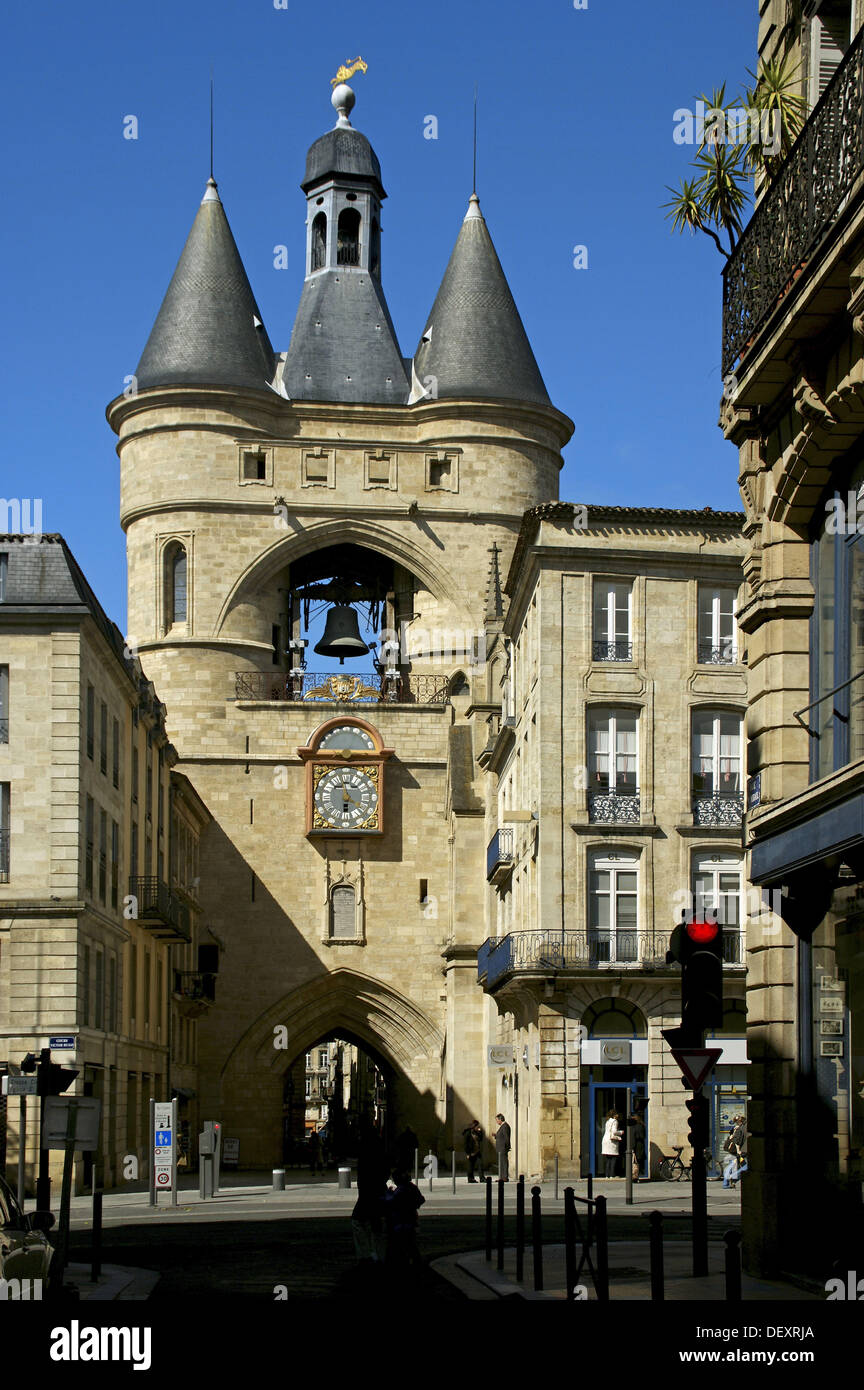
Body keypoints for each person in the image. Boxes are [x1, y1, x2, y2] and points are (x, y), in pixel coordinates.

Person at [383, 1171, 425, 1267]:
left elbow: (390, 1201)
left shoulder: (401, 1190)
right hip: (410, 1220)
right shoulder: (412, 1188)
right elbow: (421, 1199)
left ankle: (402, 1263)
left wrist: (388, 1193)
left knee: (400, 1244)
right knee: (411, 1244)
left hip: (400, 1222)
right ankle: (414, 1262)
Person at [723, 1115, 748, 1188]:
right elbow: (737, 1141)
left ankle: (726, 1183)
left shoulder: (737, 1128)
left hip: (733, 1151)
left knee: (731, 1166)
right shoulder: (739, 1129)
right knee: (745, 1167)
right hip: (736, 1152)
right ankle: (733, 1178)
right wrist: (738, 1151)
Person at [601, 1110, 623, 1178]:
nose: (618, 1115)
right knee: (613, 1158)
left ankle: (607, 1175)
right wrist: (621, 1132)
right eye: (617, 1114)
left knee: (608, 1159)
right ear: (614, 1115)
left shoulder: (607, 1121)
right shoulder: (615, 1121)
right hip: (611, 1141)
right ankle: (612, 1175)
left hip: (605, 1140)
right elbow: (614, 1131)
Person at [495, 1113, 511, 1181]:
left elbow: (506, 1137)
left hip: (503, 1148)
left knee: (504, 1162)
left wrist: (506, 1147)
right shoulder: (502, 1126)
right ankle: (501, 1177)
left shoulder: (505, 1126)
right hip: (501, 1148)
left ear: (500, 1119)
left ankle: (504, 1177)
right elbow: (501, 1136)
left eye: (497, 1120)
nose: (496, 1122)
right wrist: (496, 1135)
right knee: (501, 1163)